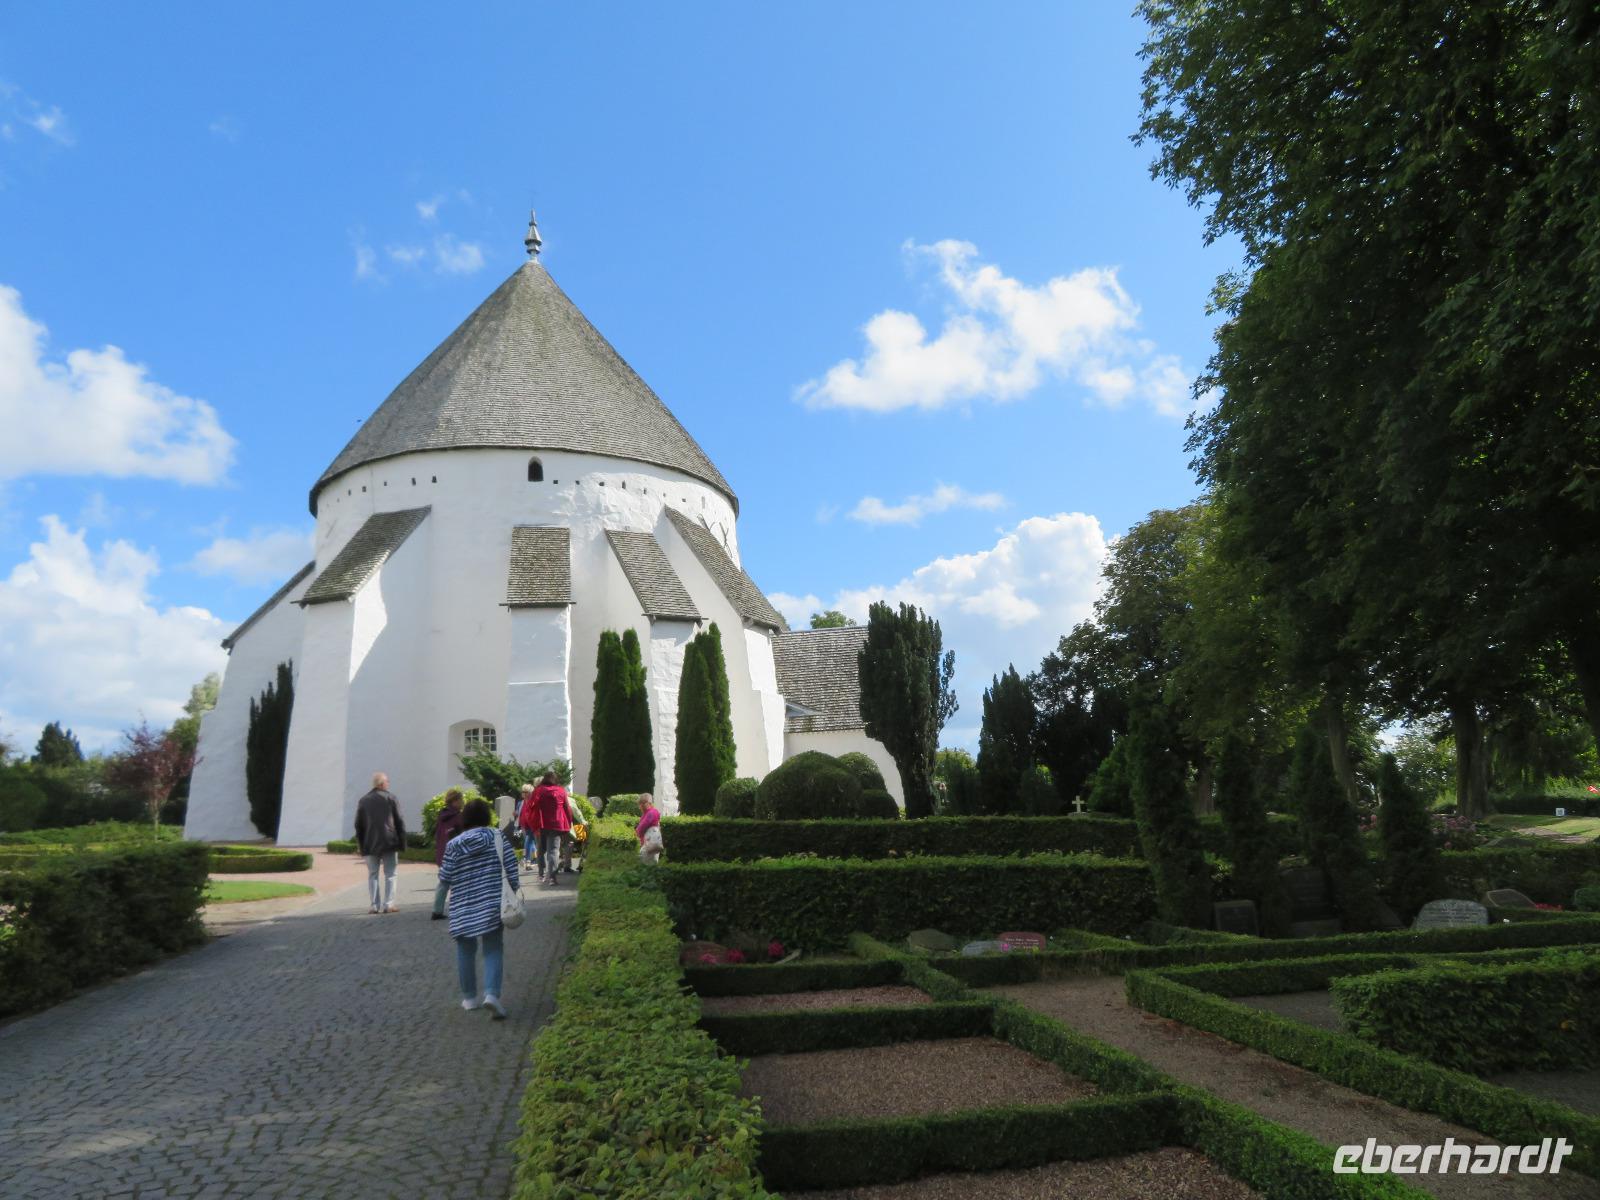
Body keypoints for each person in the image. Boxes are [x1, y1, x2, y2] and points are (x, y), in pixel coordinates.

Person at [437, 797, 520, 1019]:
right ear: (486, 817)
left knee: (465, 951)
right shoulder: (497, 837)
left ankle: (469, 999)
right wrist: (513, 891)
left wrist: (437, 907)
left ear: (465, 818)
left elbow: (444, 878)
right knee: (493, 949)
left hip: (462, 906)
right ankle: (492, 995)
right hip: (491, 904)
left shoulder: (454, 845)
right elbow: (511, 868)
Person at [354, 771, 406, 913]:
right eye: (387, 781)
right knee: (391, 874)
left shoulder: (363, 800)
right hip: (389, 842)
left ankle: (374, 905)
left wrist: (360, 844)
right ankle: (388, 904)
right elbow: (399, 821)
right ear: (382, 784)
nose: (388, 783)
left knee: (373, 874)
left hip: (369, 843)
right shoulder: (391, 798)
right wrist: (402, 842)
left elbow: (358, 825)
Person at [528, 771, 571, 887]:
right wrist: (568, 823)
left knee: (541, 849)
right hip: (556, 824)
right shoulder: (561, 790)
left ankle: (541, 874)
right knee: (553, 851)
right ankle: (552, 878)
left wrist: (531, 822)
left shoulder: (538, 790)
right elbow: (567, 808)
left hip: (541, 823)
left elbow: (530, 807)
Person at [431, 788, 466, 921]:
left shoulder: (442, 816)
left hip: (442, 853)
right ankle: (459, 910)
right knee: (459, 883)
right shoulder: (457, 817)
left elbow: (438, 835)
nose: (462, 802)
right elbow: (462, 836)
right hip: (455, 854)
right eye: (461, 799)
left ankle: (437, 910)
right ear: (455, 801)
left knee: (444, 883)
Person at [516, 781, 543, 878]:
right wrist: (516, 814)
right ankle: (529, 860)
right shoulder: (521, 803)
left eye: (525, 792)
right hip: (525, 824)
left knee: (530, 841)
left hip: (532, 824)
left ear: (530, 792)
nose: (523, 793)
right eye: (523, 791)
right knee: (529, 841)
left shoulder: (533, 802)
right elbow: (518, 812)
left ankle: (530, 860)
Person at [559, 792, 586, 873]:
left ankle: (559, 864)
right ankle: (571, 865)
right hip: (571, 826)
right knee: (573, 844)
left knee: (559, 845)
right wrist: (584, 822)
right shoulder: (571, 800)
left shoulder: (556, 800)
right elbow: (577, 813)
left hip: (556, 826)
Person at [635, 793, 663, 864]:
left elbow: (642, 827)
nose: (640, 807)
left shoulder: (651, 812)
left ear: (647, 803)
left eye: (641, 804)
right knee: (651, 863)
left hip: (650, 844)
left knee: (645, 863)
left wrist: (637, 833)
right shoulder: (650, 812)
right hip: (651, 843)